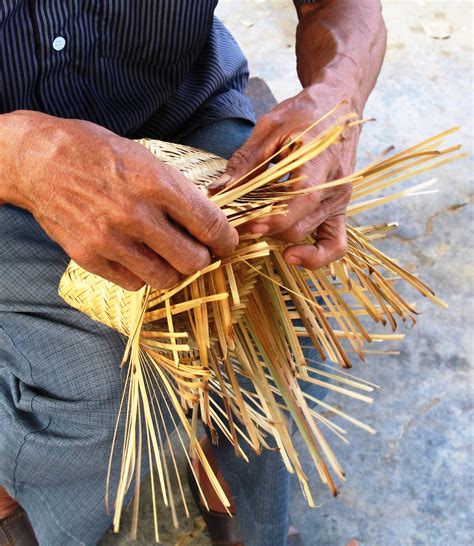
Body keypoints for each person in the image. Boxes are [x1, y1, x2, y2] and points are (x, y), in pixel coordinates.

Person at [0, 1, 386, 545]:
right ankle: (37, 506)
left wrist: (339, 93)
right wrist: (19, 157)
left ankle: (238, 493)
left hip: (177, 106)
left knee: (281, 302)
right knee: (97, 380)